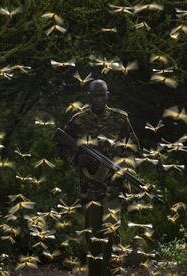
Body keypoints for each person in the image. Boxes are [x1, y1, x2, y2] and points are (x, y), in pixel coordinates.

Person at [58, 79, 139, 276]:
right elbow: (62, 145)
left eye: (103, 95)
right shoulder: (78, 120)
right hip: (90, 187)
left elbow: (135, 147)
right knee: (93, 236)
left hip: (114, 185)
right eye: (96, 95)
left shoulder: (120, 118)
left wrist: (118, 156)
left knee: (110, 232)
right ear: (89, 96)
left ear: (107, 95)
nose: (99, 99)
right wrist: (78, 158)